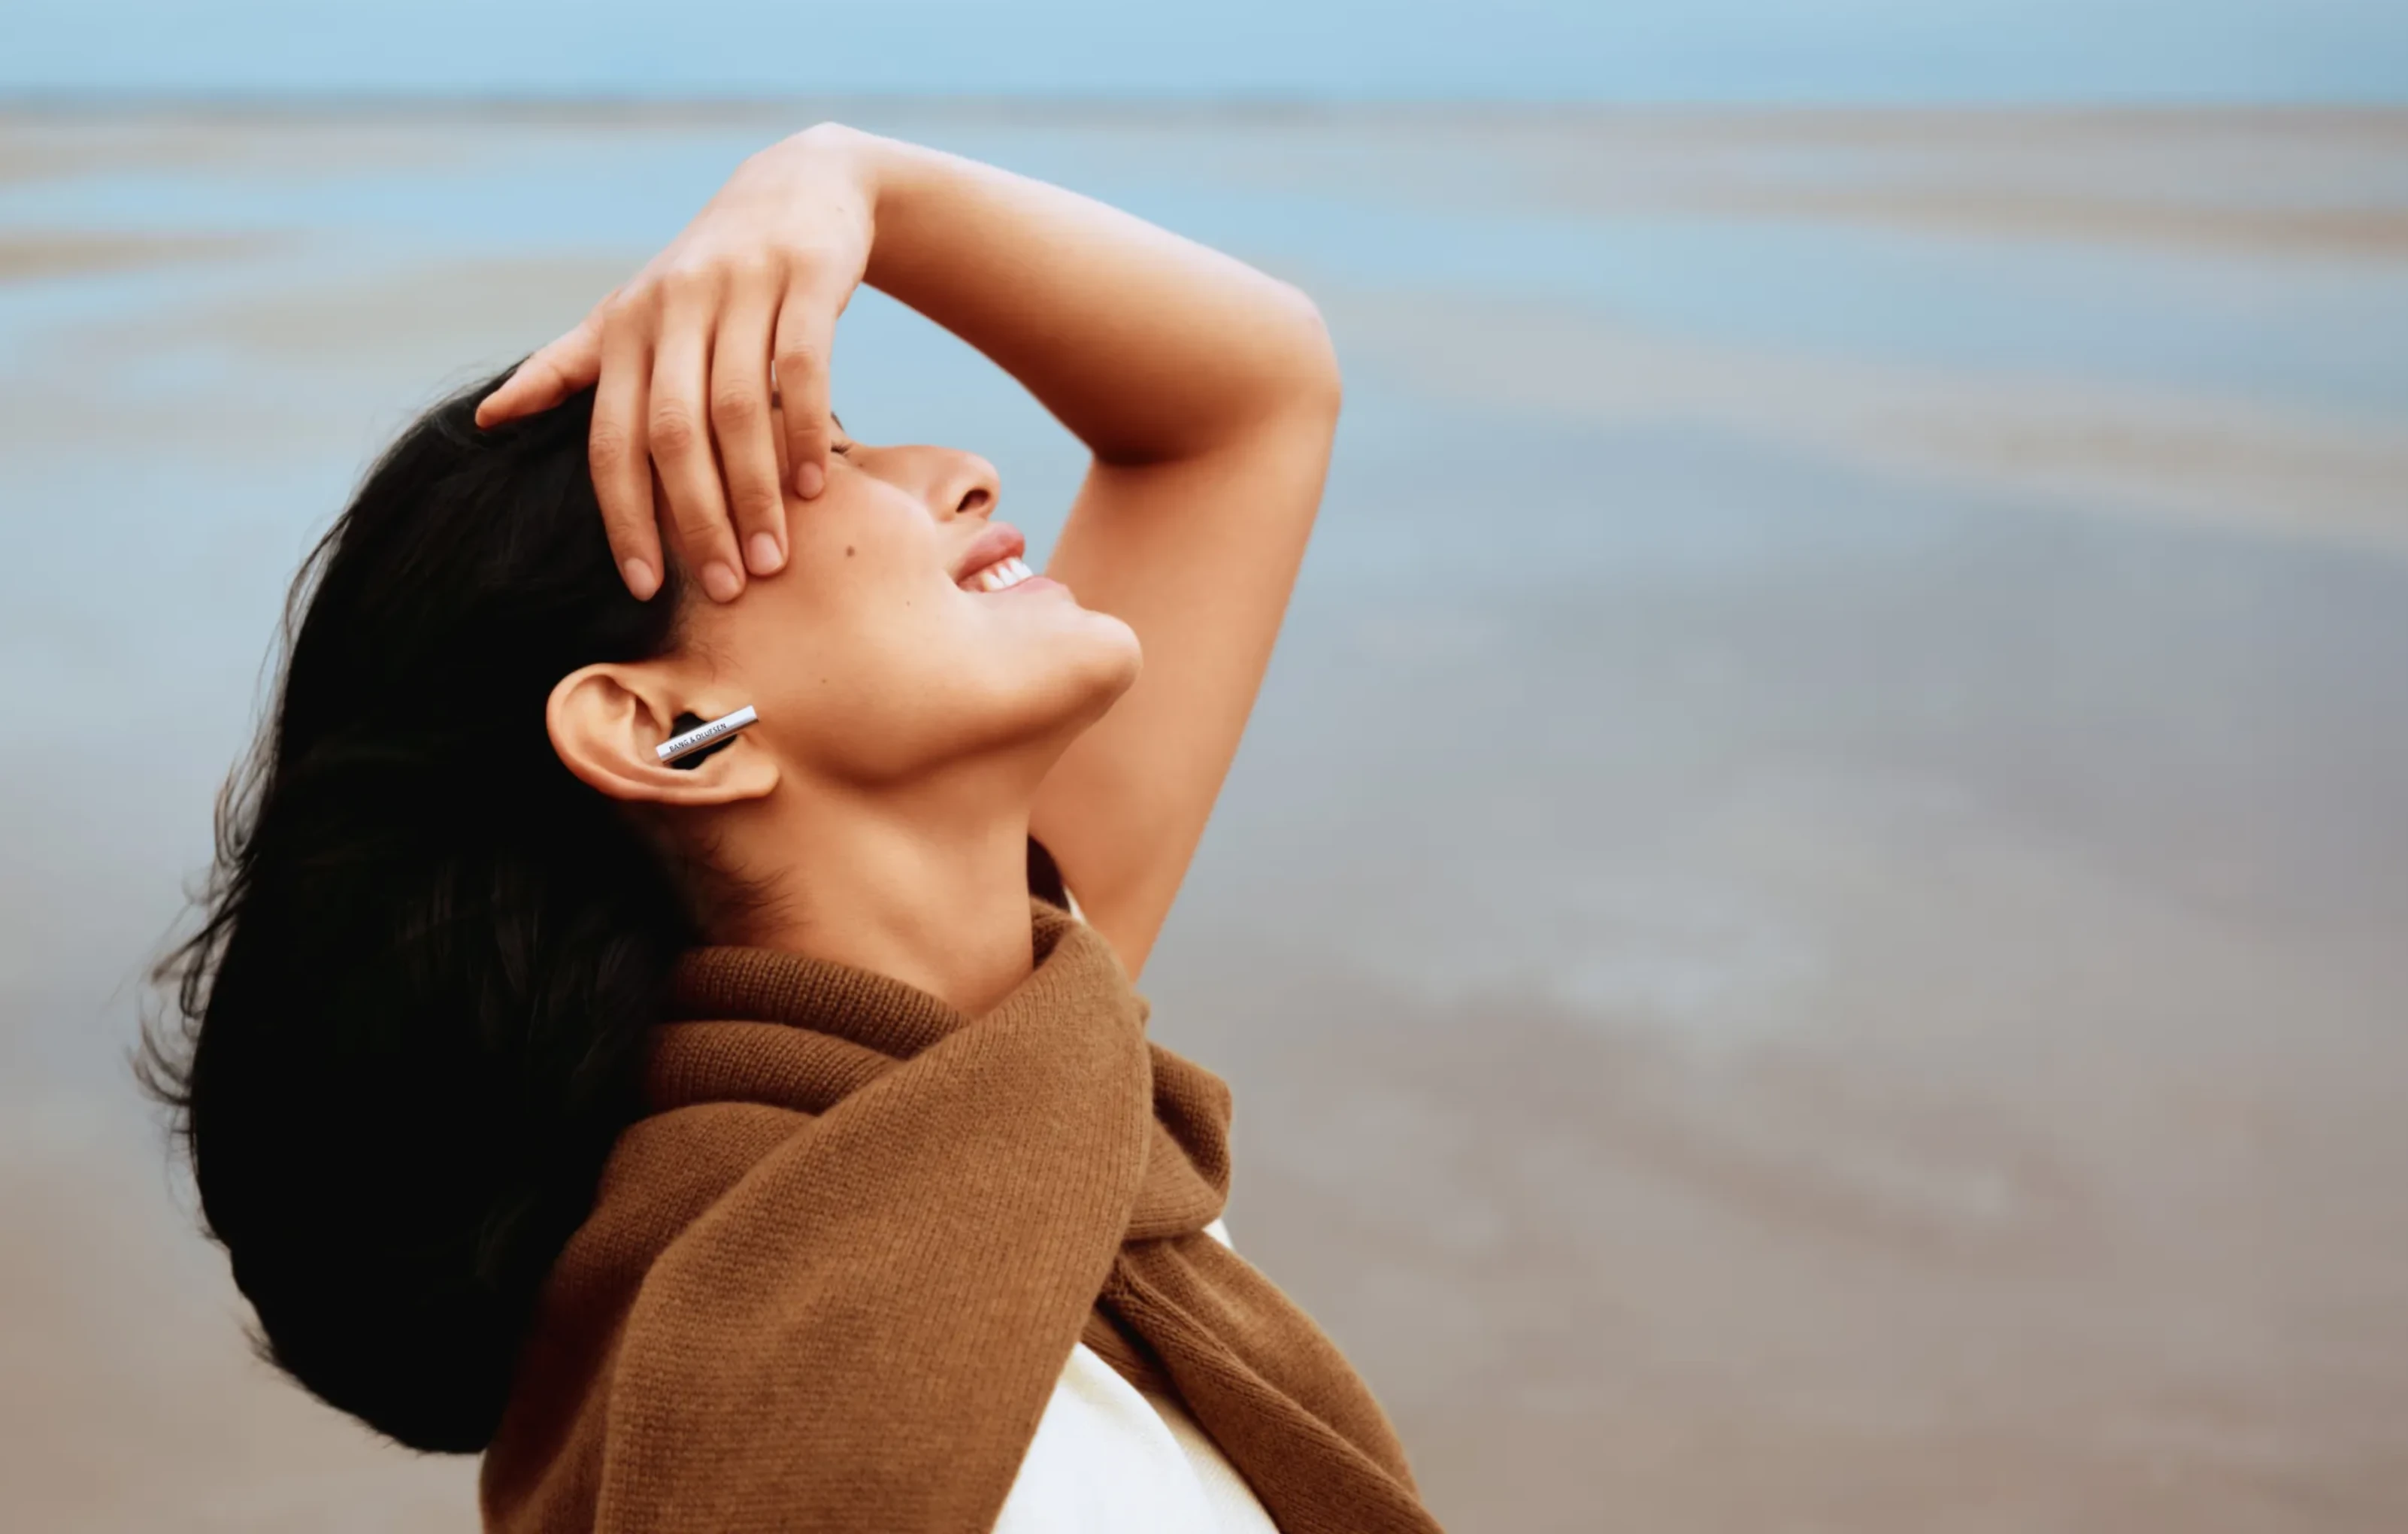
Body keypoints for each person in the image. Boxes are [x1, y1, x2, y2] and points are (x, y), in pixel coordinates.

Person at [147, 123, 1442, 1534]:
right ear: (662, 731)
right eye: (818, 459)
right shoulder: (773, 1419)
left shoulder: (1019, 1041)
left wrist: (846, 178)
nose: (961, 469)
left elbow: (1244, 396)